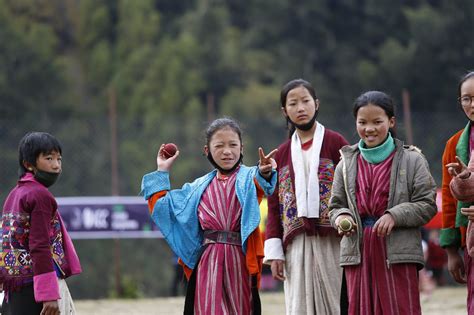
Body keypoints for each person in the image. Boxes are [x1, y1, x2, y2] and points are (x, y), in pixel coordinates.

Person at [140, 117, 277, 314]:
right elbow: (163, 208)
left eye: (233, 145)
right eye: (219, 145)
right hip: (208, 263)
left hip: (240, 262)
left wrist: (264, 172)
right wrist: (162, 170)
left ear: (242, 148)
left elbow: (262, 181)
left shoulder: (249, 178)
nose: (227, 151)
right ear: (207, 151)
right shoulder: (197, 188)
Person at [329, 91, 437, 314]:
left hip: (397, 252)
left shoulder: (413, 160)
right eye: (362, 122)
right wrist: (341, 217)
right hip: (358, 253)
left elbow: (427, 204)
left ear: (391, 121)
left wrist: (394, 215)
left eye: (377, 122)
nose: (369, 129)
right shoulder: (345, 164)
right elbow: (335, 206)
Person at [264, 78, 349, 314]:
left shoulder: (335, 143)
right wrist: (275, 254)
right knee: (298, 306)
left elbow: (352, 190)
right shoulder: (280, 154)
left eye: (305, 101)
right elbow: (274, 207)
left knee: (336, 303)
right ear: (285, 111)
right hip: (296, 246)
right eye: (293, 103)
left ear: (316, 104)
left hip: (333, 240)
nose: (300, 108)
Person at [0, 132, 82, 315]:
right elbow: (39, 246)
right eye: (49, 158)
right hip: (33, 287)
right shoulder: (39, 195)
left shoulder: (15, 193)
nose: (56, 166)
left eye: (59, 159)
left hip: (15, 287)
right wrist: (48, 294)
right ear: (28, 164)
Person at [442, 71, 474, 313]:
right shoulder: (455, 145)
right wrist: (452, 249)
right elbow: (448, 198)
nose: (472, 105)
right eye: (466, 98)